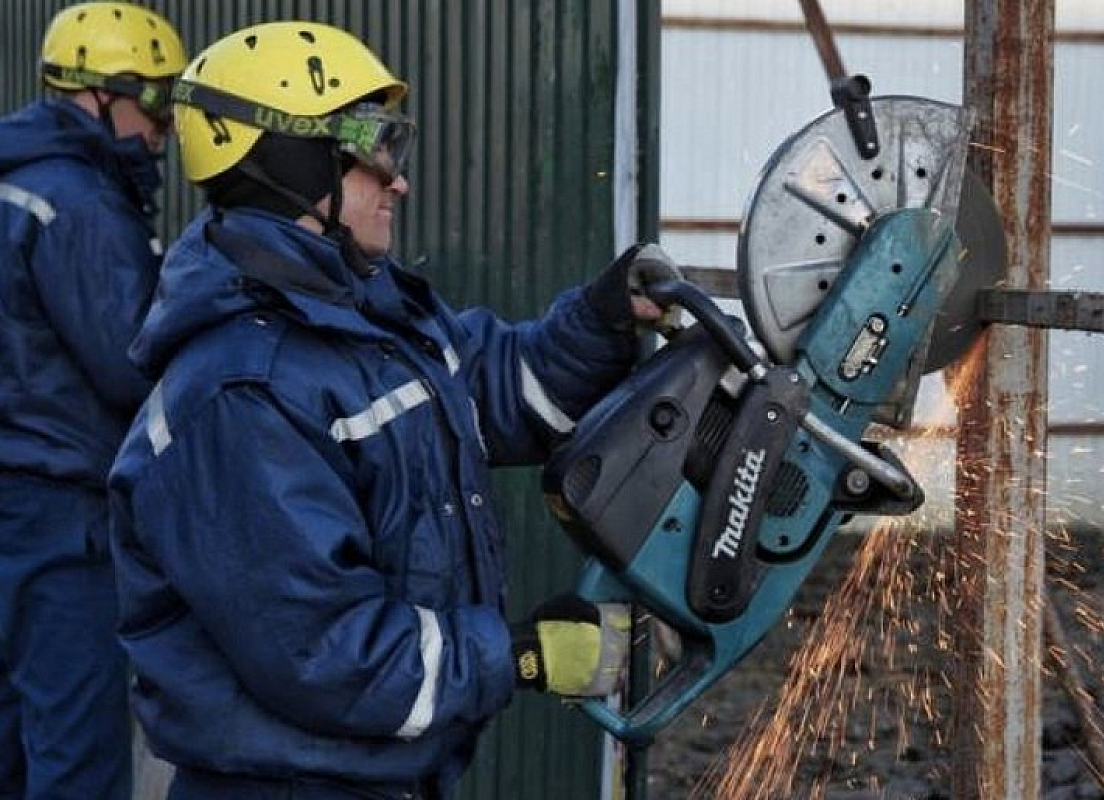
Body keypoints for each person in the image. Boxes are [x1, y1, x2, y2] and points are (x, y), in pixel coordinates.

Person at [107, 20, 674, 800]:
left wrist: (605, 316)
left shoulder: (366, 314)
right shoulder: (241, 394)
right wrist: (519, 656)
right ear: (291, 161)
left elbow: (498, 393)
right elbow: (322, 651)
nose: (398, 179)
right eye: (378, 147)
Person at [0, 3, 186, 798]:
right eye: (156, 104)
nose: (165, 130)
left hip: (15, 500)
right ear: (103, 92)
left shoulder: (15, 178)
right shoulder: (78, 205)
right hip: (60, 519)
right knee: (77, 758)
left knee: (13, 739)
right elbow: (129, 361)